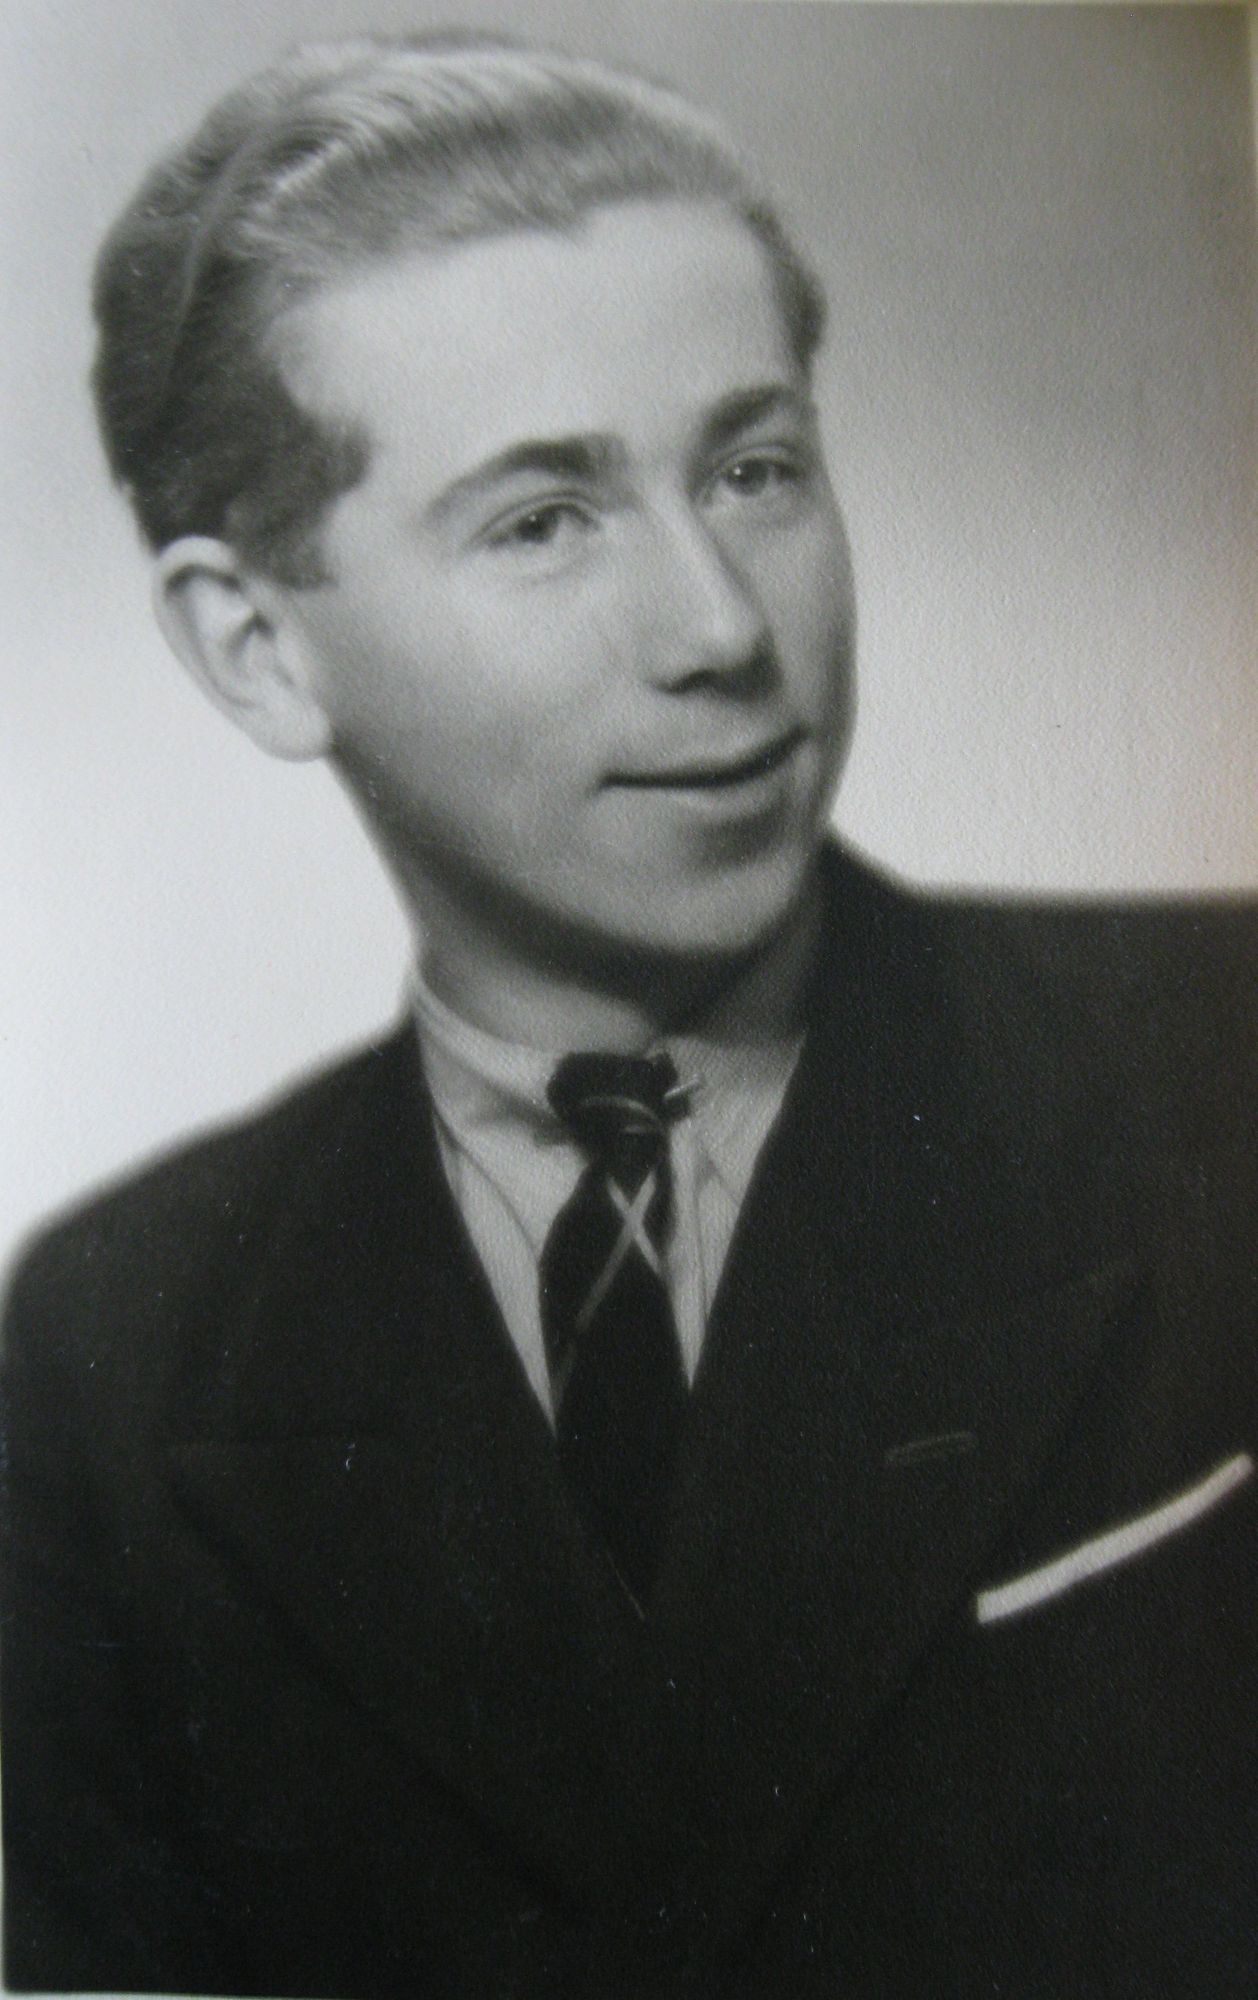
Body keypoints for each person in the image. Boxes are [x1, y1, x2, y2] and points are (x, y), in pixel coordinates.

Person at [2, 29, 1254, 1999]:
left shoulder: (1222, 1068)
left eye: (754, 470)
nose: (721, 628)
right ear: (256, 650)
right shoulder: (106, 1359)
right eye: (541, 520)